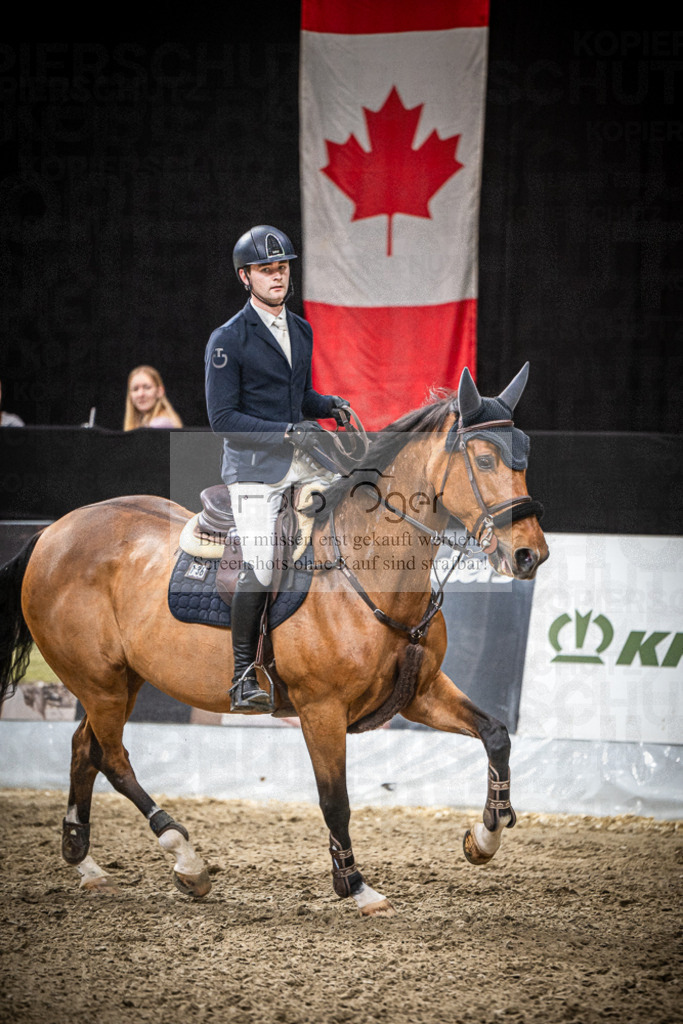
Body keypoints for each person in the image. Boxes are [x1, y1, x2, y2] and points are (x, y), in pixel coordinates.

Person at [205, 224, 349, 712]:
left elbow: (295, 397)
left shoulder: (302, 328)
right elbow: (223, 419)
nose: (277, 276)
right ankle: (243, 672)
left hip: (299, 460)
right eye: (267, 270)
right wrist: (289, 432)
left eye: (282, 267)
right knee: (262, 561)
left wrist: (326, 404)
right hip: (252, 469)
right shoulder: (227, 339)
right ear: (246, 277)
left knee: (356, 502)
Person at [123, 365, 183, 430]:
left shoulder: (160, 424)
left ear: (159, 391)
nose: (140, 394)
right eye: (135, 389)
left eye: (147, 387)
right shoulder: (144, 423)